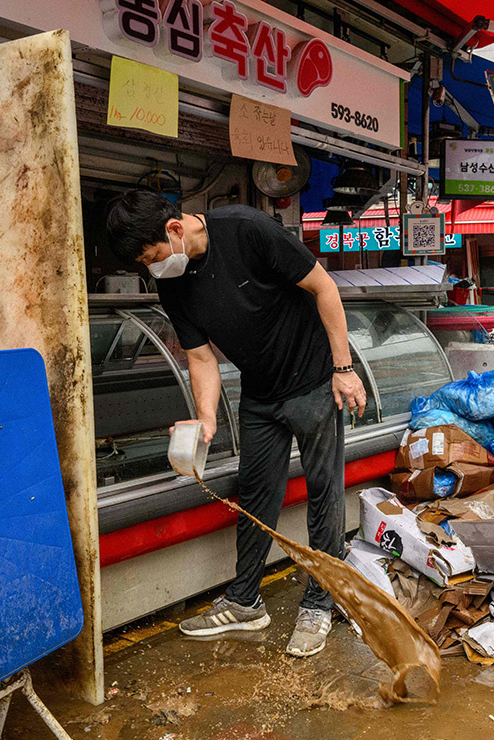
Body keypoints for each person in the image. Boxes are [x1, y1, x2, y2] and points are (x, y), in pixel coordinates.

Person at [104, 190, 366, 657]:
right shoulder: (173, 282)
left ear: (175, 229)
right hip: (260, 395)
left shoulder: (248, 229)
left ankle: (319, 603)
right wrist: (205, 418)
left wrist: (343, 368)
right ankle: (245, 600)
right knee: (256, 491)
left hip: (311, 381)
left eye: (153, 256)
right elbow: (199, 355)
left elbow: (324, 287)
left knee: (324, 491)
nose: (154, 268)